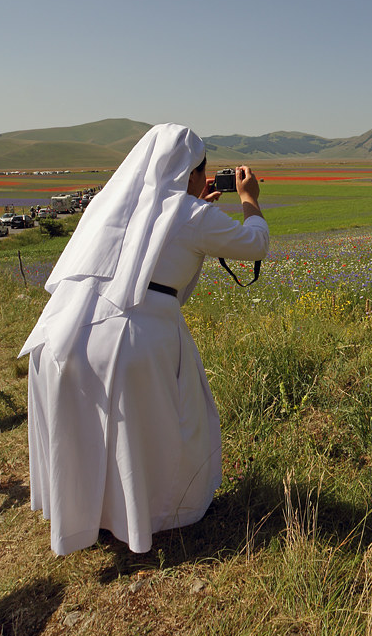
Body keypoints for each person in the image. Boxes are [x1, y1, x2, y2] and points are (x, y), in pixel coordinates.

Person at [19, 123, 270, 556]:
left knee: (86, 430)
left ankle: (90, 517)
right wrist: (250, 200)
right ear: (192, 172)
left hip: (60, 332)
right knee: (167, 426)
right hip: (133, 338)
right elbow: (256, 244)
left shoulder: (111, 204)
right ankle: (157, 514)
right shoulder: (192, 215)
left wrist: (196, 210)